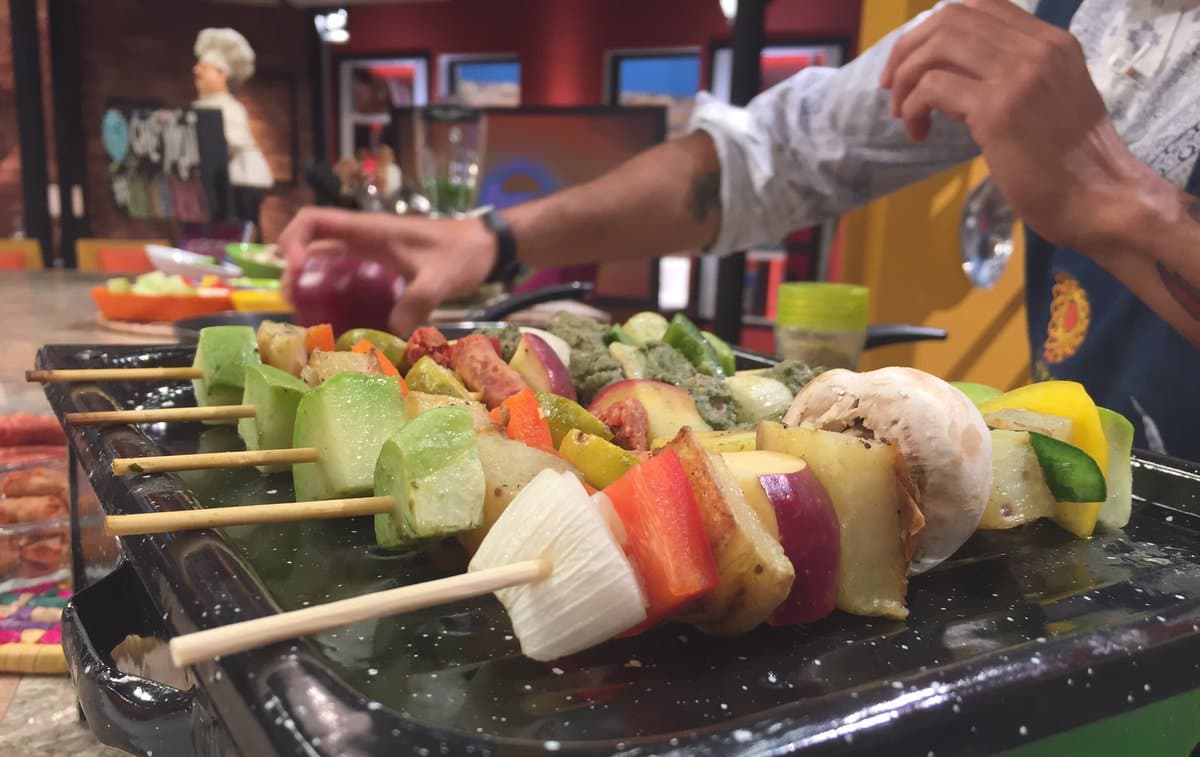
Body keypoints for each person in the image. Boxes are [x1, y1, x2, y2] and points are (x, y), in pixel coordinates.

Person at [278, 0, 1200, 458]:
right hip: (1113, 522)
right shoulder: (1056, 10)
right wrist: (496, 238)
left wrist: (1122, 201)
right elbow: (771, 159)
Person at [193, 27, 274, 234]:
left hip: (238, 184)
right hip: (212, 186)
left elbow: (232, 142)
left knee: (242, 230)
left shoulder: (231, 109)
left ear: (222, 74)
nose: (197, 71)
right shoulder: (199, 108)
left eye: (205, 67)